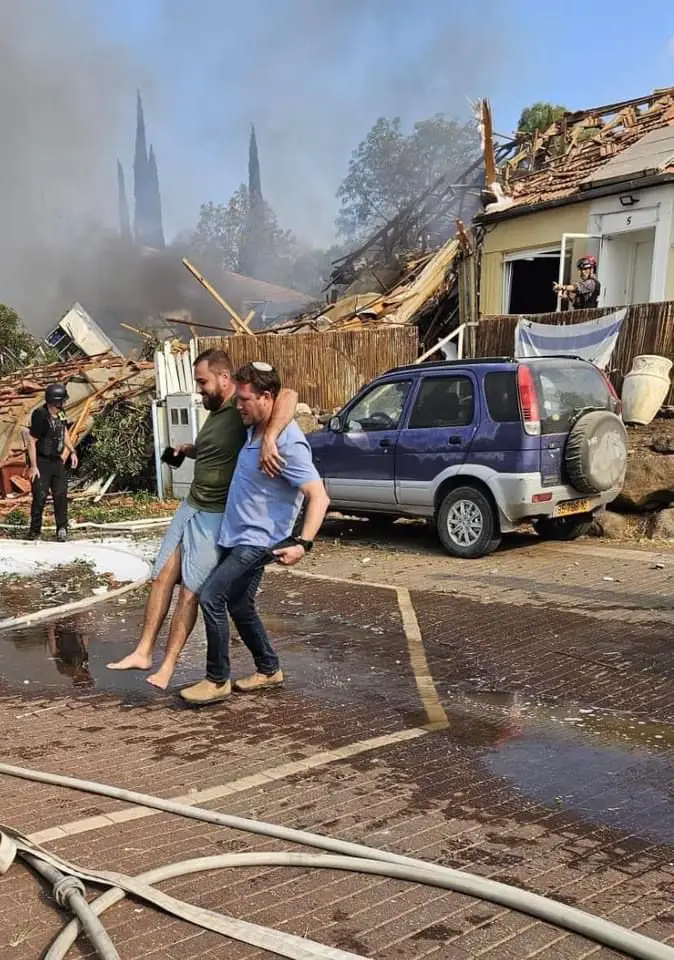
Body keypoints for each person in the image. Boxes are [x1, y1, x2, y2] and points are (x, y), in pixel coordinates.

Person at [107, 349, 297, 690]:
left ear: (225, 379)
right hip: (191, 505)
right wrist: (189, 449)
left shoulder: (243, 407)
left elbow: (289, 395)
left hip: (216, 516)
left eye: (202, 381)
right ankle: (144, 651)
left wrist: (269, 438)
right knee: (162, 576)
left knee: (193, 592)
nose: (199, 389)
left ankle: (168, 667)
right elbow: (217, 448)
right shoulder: (216, 410)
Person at [180, 362, 329, 705]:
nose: (239, 406)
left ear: (266, 398)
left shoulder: (288, 444)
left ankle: (217, 679)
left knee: (212, 596)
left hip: (258, 540)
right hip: (239, 536)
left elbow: (319, 496)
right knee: (238, 604)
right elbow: (287, 392)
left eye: (246, 400)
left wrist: (303, 543)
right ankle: (268, 668)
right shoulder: (256, 429)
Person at [27, 383, 78, 542]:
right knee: (40, 497)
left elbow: (64, 432)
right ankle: (34, 531)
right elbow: (31, 440)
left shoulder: (61, 413)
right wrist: (34, 466)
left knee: (61, 495)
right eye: (61, 401)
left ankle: (62, 529)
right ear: (54, 401)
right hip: (41, 461)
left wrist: (72, 451)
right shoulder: (40, 415)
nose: (63, 404)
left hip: (56, 461)